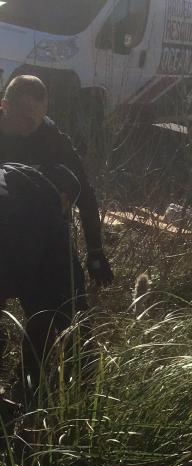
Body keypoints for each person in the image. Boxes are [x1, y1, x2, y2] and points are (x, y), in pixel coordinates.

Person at [0, 75, 113, 304]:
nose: (29, 126)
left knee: (70, 302)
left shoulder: (52, 139)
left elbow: (85, 193)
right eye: (23, 119)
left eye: (36, 120)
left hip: (42, 231)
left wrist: (95, 250)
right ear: (4, 106)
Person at [0, 163, 81, 411]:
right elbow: (27, 265)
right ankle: (26, 391)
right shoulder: (44, 201)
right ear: (64, 196)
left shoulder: (15, 178)